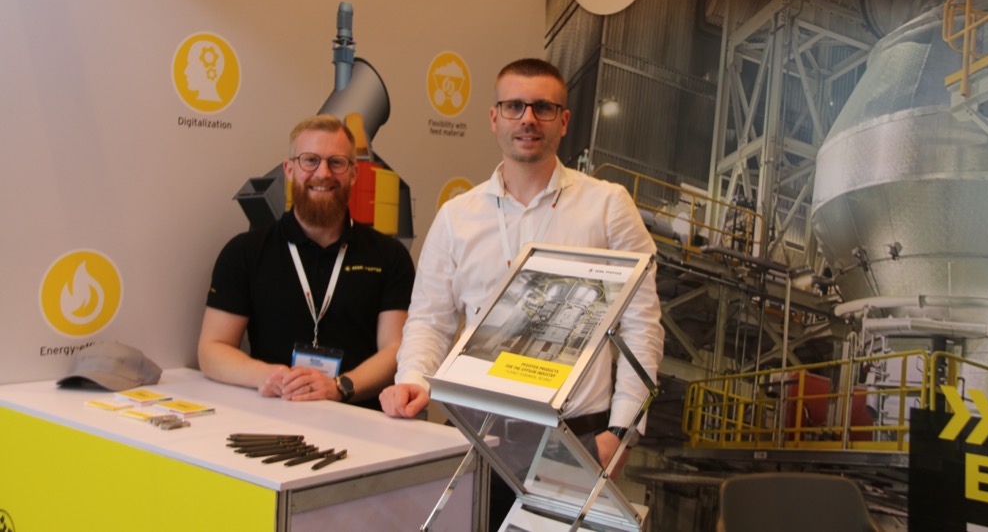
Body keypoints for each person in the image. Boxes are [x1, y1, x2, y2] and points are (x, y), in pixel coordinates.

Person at [380, 58, 664, 526]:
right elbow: (430, 319)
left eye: (542, 108)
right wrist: (413, 378)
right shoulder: (457, 216)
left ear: (563, 121)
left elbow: (641, 328)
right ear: (494, 118)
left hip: (575, 440)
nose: (528, 118)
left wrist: (622, 432)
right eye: (514, 106)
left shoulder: (607, 206)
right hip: (473, 437)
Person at [198, 114, 415, 409]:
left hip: (357, 418)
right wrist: (269, 376)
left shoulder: (389, 256)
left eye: (336, 162)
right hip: (271, 411)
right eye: (310, 160)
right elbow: (212, 350)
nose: (323, 173)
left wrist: (338, 387)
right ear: (289, 170)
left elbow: (394, 349)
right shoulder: (245, 252)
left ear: (354, 174)